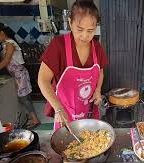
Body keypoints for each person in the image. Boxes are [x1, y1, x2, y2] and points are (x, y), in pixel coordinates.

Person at [38, 0, 108, 131]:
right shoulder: (58, 46)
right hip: (64, 110)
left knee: (92, 142)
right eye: (80, 29)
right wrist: (58, 108)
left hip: (89, 109)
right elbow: (43, 80)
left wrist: (98, 90)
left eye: (90, 31)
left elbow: (100, 71)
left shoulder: (97, 48)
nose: (85, 36)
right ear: (70, 22)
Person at [0, 22, 41, 129]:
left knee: (25, 98)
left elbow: (5, 61)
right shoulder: (5, 44)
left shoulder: (10, 44)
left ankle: (35, 120)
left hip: (20, 74)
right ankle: (30, 117)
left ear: (1, 33)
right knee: (23, 98)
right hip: (16, 75)